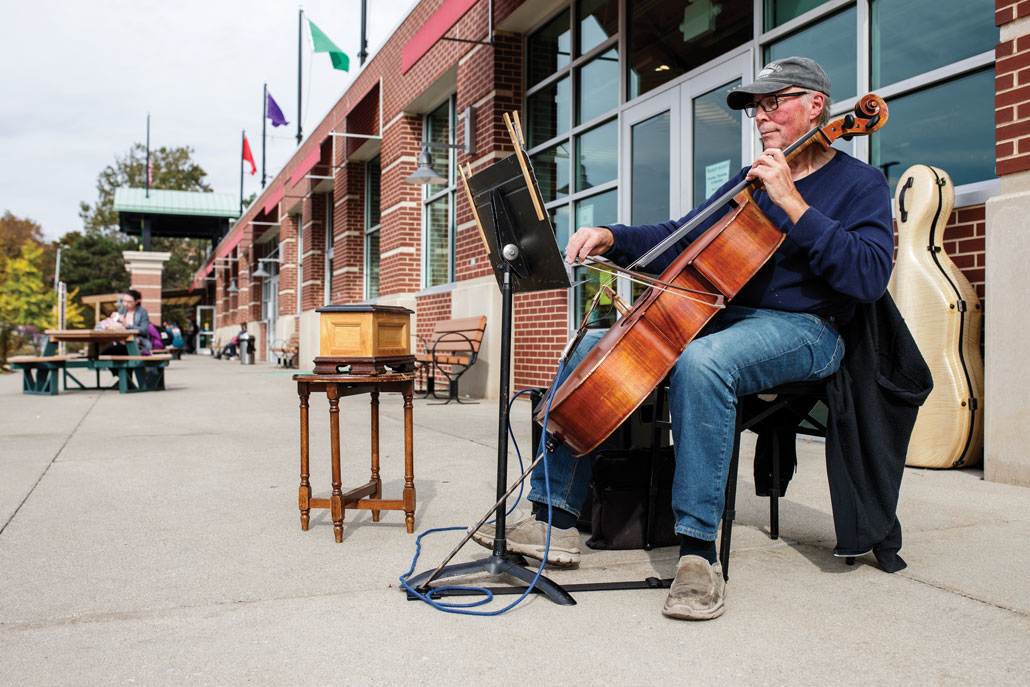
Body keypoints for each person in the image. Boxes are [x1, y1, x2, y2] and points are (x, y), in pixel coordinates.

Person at [473, 57, 895, 621]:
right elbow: (679, 236)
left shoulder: (857, 183)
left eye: (774, 103)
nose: (762, 117)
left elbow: (868, 277)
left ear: (816, 105)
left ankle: (698, 554)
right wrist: (612, 236)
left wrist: (793, 202)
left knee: (704, 361)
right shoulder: (752, 180)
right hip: (728, 314)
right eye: (756, 108)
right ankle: (554, 519)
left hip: (810, 329)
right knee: (592, 344)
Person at [102, 289, 153, 355]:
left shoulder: (142, 312)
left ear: (136, 301)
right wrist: (112, 320)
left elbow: (144, 330)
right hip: (121, 341)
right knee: (104, 352)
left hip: (139, 343)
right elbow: (116, 327)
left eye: (129, 302)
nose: (125, 304)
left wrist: (127, 326)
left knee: (120, 350)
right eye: (124, 301)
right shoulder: (122, 311)